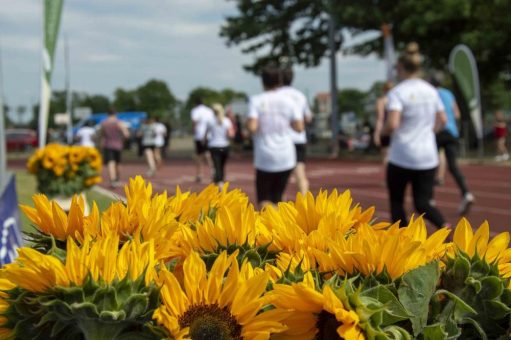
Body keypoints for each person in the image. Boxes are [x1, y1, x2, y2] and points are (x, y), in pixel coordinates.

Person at [384, 43, 447, 228]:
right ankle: (444, 226)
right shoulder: (431, 90)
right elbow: (443, 120)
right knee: (423, 203)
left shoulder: (397, 92)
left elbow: (393, 124)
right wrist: (429, 131)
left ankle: (401, 242)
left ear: (401, 68)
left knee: (397, 202)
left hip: (402, 155)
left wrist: (382, 131)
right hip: (427, 155)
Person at [246, 65, 304, 207]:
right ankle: (278, 228)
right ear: (279, 81)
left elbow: (252, 127)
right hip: (285, 154)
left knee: (264, 200)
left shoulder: (257, 100)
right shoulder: (290, 101)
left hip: (265, 155)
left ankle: (267, 227)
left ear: (262, 82)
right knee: (278, 198)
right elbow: (299, 127)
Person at [431, 75, 475, 215]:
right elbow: (456, 114)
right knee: (453, 166)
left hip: (437, 131)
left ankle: (429, 199)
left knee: (431, 166)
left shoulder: (430, 94)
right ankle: (466, 193)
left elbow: (436, 115)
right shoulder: (448, 93)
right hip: (451, 132)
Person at [279, 67, 313, 195]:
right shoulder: (300, 96)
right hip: (299, 139)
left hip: (283, 140)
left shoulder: (277, 96)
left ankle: (279, 210)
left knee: (281, 178)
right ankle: (305, 205)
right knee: (301, 175)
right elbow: (308, 117)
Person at [206, 103, 235, 187]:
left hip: (214, 146)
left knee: (216, 166)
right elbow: (231, 134)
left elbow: (206, 135)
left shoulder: (210, 121)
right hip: (225, 146)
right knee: (222, 166)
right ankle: (220, 181)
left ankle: (219, 183)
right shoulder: (227, 121)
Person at [100, 108, 129, 188]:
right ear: (116, 113)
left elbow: (102, 135)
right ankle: (117, 179)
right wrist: (122, 140)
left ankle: (112, 180)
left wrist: (101, 145)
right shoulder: (119, 122)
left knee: (110, 162)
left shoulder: (104, 123)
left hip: (108, 145)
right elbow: (126, 134)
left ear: (107, 114)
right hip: (118, 145)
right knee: (118, 162)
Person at [191, 98, 214, 182]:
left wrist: (193, 130)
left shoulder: (195, 111)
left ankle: (199, 174)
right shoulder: (209, 110)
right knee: (208, 154)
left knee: (199, 156)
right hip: (209, 135)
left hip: (199, 135)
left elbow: (194, 121)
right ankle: (213, 172)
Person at [373, 81, 393, 170]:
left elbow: (380, 118)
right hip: (397, 130)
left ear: (383, 90)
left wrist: (377, 133)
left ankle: (390, 179)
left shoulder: (381, 101)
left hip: (386, 130)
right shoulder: (398, 100)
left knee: (386, 156)